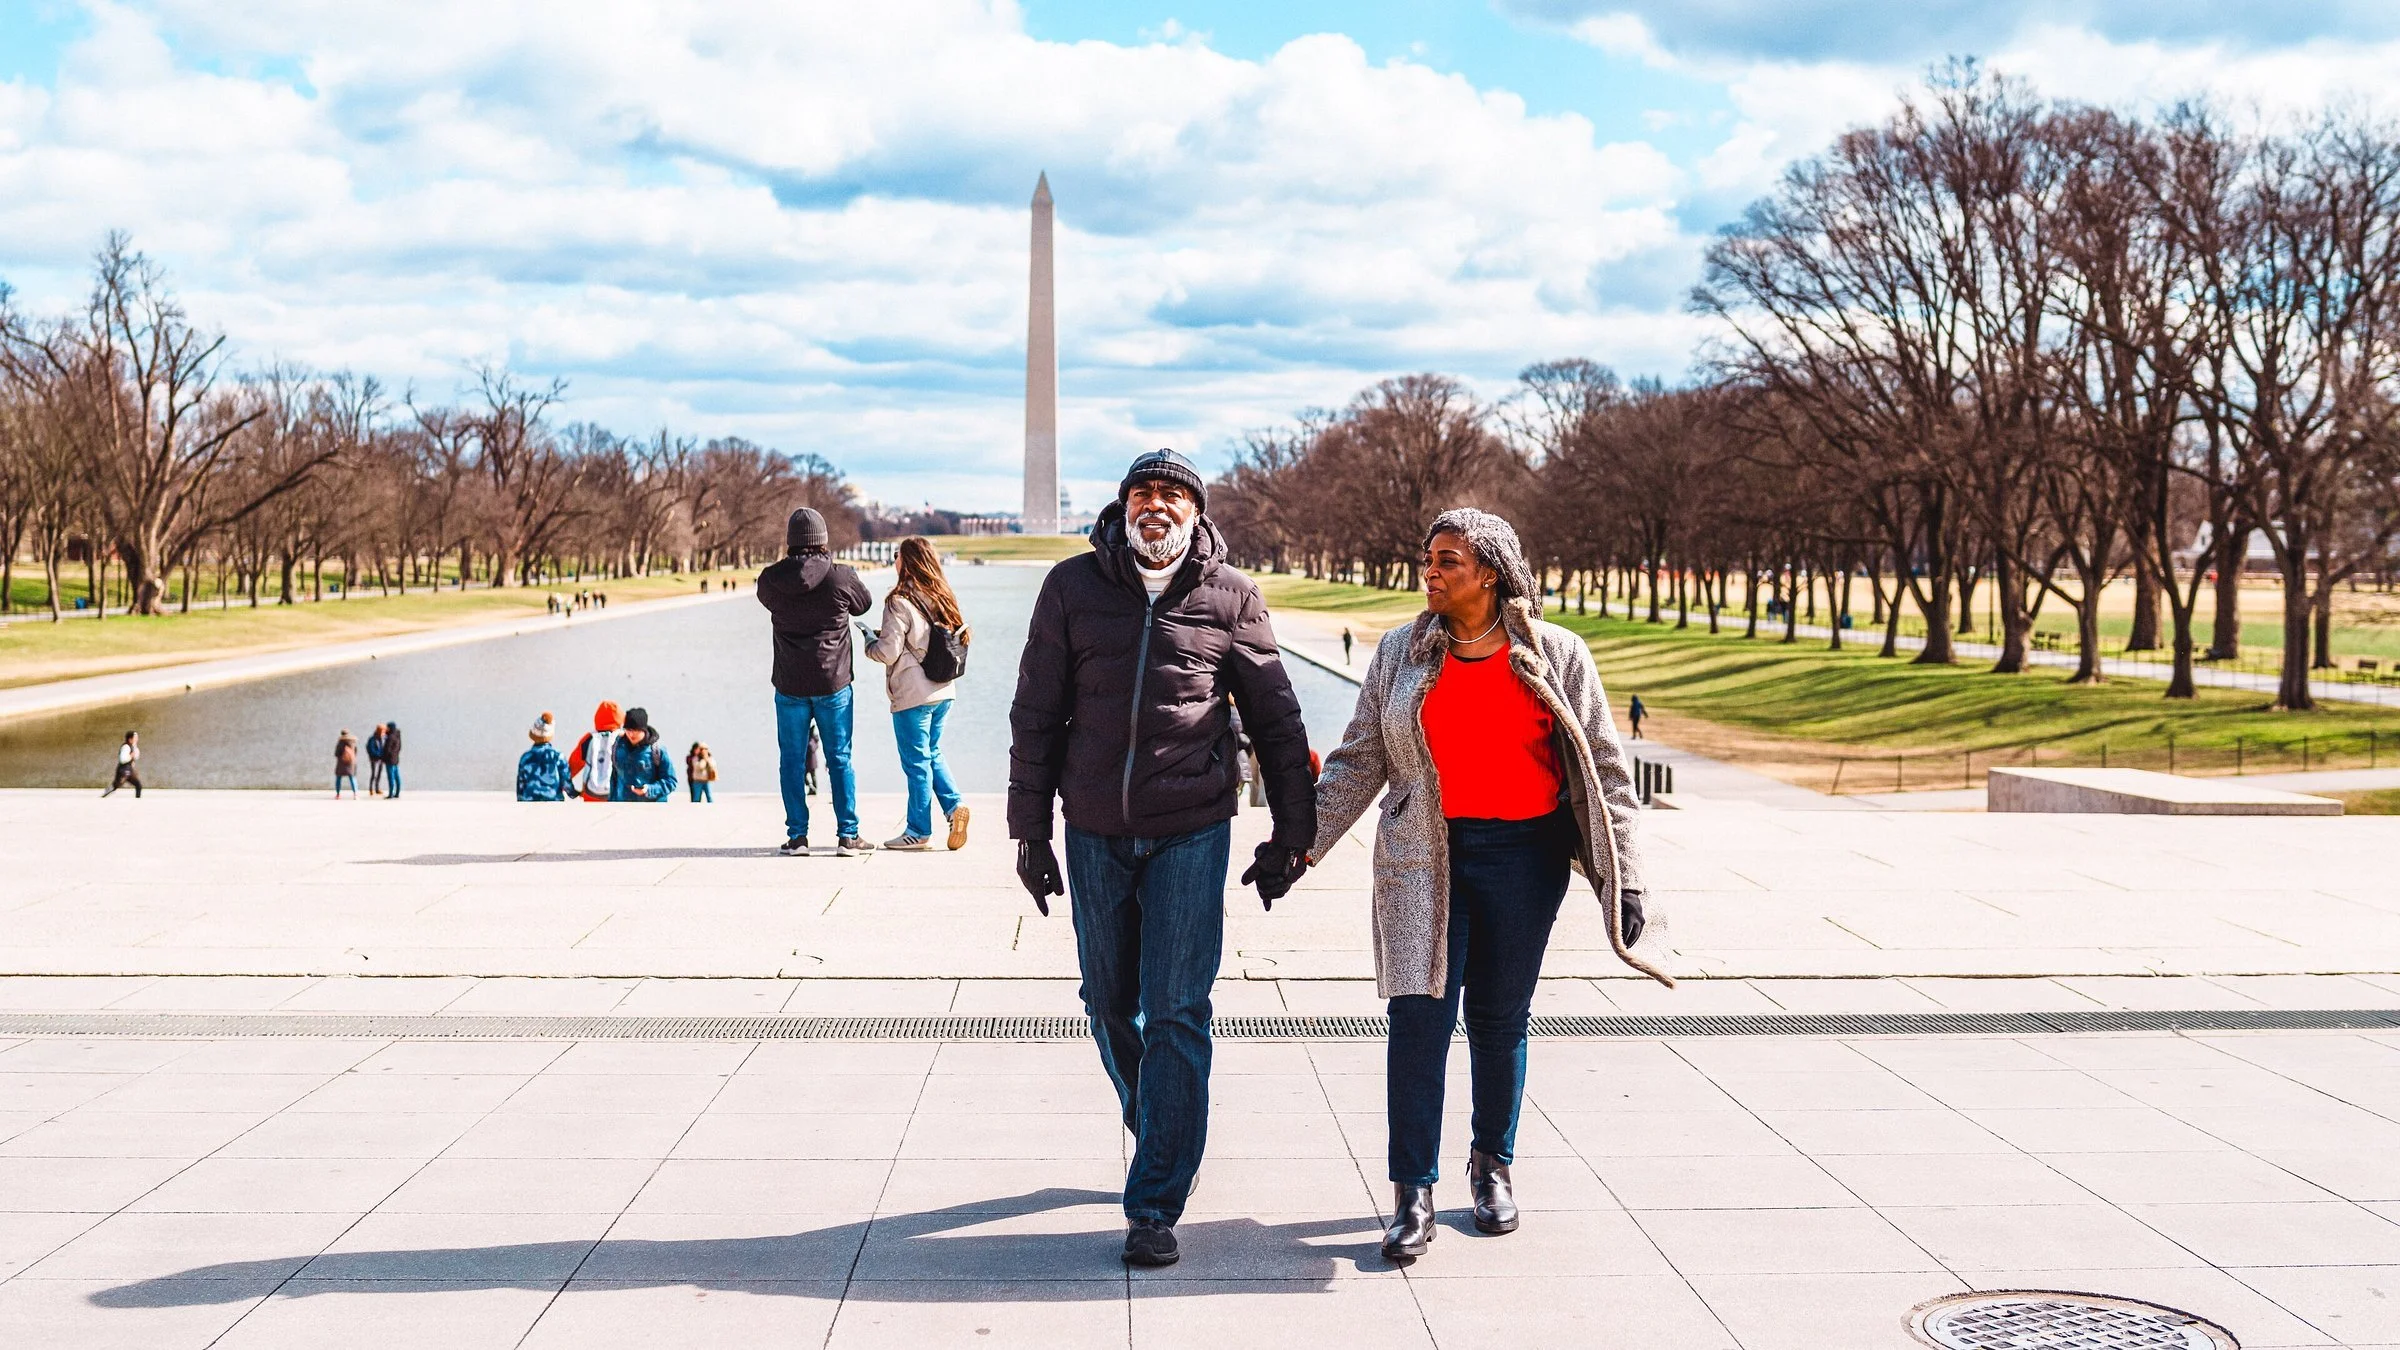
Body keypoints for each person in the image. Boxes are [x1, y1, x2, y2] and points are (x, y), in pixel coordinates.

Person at [1309, 508, 1669, 1265]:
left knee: (1501, 1018)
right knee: (1418, 1021)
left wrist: (1626, 880)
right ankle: (1412, 1190)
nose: (1429, 572)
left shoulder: (1558, 654)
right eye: (1427, 558)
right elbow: (1358, 758)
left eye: (1447, 561)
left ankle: (1492, 1165)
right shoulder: (1400, 652)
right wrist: (1298, 845)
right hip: (1423, 854)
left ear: (1491, 574)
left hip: (1525, 857)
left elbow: (1605, 768)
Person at [1008, 448, 1317, 1269]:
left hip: (1192, 825)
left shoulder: (1232, 597)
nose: (1158, 507)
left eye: (1173, 496)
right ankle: (1162, 1122)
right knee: (1108, 1000)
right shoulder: (1072, 588)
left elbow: (1278, 723)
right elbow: (1035, 712)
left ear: (1195, 513)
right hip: (1095, 827)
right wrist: (1029, 831)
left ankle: (1154, 1200)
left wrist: (1294, 836)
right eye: (1144, 493)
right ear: (1123, 508)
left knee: (1177, 1005)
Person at [757, 507, 873, 856]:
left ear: (790, 542)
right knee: (840, 759)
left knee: (790, 760)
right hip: (832, 681)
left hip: (790, 683)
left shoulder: (771, 579)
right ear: (823, 540)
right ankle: (847, 836)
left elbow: (766, 599)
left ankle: (798, 837)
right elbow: (864, 604)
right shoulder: (840, 577)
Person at [864, 536, 970, 851]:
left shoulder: (898, 600)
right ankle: (953, 809)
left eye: (897, 555)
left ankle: (918, 830)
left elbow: (889, 651)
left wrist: (870, 642)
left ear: (906, 561)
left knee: (916, 762)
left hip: (914, 694)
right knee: (931, 753)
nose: (894, 559)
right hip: (944, 690)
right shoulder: (943, 595)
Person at [609, 707, 678, 801]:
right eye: (628, 730)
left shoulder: (658, 750)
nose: (631, 734)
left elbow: (671, 781)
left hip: (651, 810)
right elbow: (614, 779)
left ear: (644, 730)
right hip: (623, 808)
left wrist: (649, 789)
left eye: (636, 730)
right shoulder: (617, 747)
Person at [568, 701, 625, 802]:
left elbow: (572, 766)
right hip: (616, 795)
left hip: (591, 795)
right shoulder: (622, 738)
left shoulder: (589, 739)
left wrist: (569, 788)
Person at [517, 713, 572, 802]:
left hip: (529, 800)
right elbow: (566, 782)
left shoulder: (525, 757)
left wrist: (520, 799)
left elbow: (521, 784)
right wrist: (573, 794)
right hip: (554, 800)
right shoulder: (558, 756)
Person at [102, 731, 142, 798]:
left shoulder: (133, 747)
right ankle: (104, 795)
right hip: (123, 770)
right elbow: (122, 759)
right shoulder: (126, 746)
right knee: (117, 784)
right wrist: (131, 756)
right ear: (130, 739)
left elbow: (136, 756)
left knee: (138, 785)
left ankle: (137, 800)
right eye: (135, 738)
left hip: (129, 770)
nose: (137, 739)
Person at [380, 721, 404, 799]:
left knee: (391, 777)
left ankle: (390, 794)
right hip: (396, 759)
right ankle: (397, 793)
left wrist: (383, 757)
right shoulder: (397, 736)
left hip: (389, 760)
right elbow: (399, 748)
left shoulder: (390, 737)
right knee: (397, 776)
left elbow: (387, 750)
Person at [334, 729, 359, 798]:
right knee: (352, 778)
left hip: (341, 763)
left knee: (338, 778)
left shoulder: (340, 743)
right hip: (351, 763)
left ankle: (338, 794)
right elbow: (356, 752)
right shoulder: (353, 742)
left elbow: (336, 753)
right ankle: (355, 794)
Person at [365, 724, 387, 796]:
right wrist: (378, 755)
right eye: (382, 731)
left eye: (384, 731)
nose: (383, 733)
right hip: (374, 759)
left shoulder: (384, 738)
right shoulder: (372, 738)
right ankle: (371, 789)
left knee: (379, 774)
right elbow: (370, 749)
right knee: (373, 774)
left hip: (381, 759)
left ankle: (377, 789)